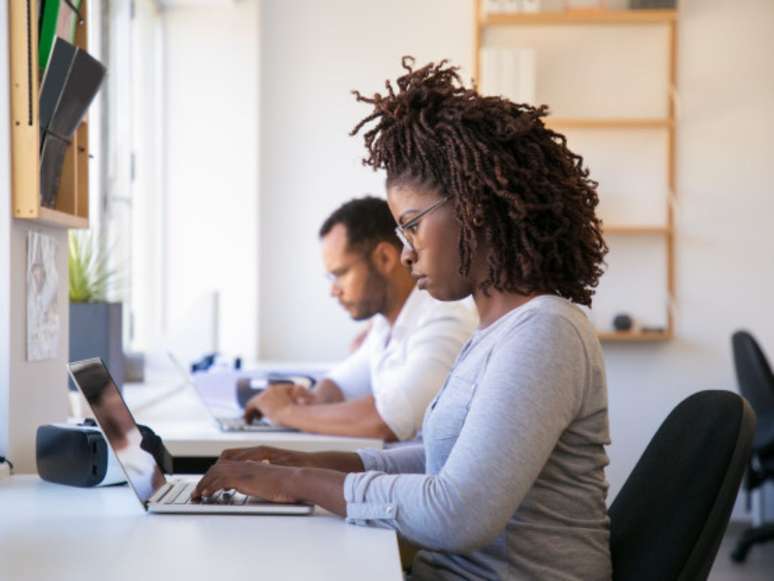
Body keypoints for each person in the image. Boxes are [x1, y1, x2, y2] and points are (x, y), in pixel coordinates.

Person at [193, 57, 612, 580]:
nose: (405, 252)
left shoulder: (546, 332)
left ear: (475, 207)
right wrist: (297, 463)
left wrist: (297, 484)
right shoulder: (496, 333)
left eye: (410, 226)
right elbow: (440, 466)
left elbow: (456, 513)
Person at [245, 196, 477, 442]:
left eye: (340, 274)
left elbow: (386, 421)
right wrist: (310, 400)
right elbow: (339, 385)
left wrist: (287, 412)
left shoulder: (446, 319)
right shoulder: (384, 325)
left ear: (385, 259)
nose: (333, 291)